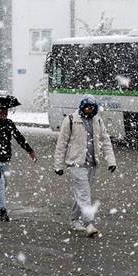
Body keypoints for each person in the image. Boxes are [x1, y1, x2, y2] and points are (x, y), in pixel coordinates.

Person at [53, 95, 117, 237]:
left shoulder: (97, 120)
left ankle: (75, 219)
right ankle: (89, 224)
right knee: (84, 193)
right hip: (76, 163)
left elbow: (105, 141)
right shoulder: (70, 120)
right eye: (87, 107)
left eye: (92, 107)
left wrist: (111, 161)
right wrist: (58, 165)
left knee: (81, 193)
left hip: (92, 164)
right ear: (82, 106)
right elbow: (61, 144)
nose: (90, 109)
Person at [0, 108, 37, 222]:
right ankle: (3, 210)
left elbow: (19, 138)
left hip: (5, 158)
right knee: (0, 182)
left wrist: (30, 151)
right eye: (2, 112)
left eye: (6, 112)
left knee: (5, 183)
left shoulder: (9, 124)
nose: (5, 115)